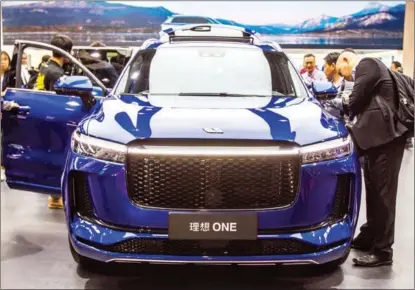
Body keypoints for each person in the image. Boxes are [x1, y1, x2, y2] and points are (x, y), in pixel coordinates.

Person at [336, 50, 409, 267]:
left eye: (343, 73)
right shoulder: (373, 67)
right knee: (374, 190)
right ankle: (369, 235)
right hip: (376, 141)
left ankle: (383, 250)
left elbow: (355, 101)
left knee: (384, 194)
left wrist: (344, 101)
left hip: (387, 140)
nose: (346, 78)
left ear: (346, 60)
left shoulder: (367, 64)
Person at [35, 35, 73, 209]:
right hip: (51, 117)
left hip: (40, 114)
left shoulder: (44, 66)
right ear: (66, 53)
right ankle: (55, 196)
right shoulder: (57, 72)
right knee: (58, 152)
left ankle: (54, 195)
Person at [1, 51, 18, 181]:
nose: (3, 62)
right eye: (1, 59)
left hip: (7, 112)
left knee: (4, 140)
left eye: (5, 59)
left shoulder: (12, 76)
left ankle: (3, 167)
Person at [321, 52, 345, 119]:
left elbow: (345, 104)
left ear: (333, 66)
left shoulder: (346, 84)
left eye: (325, 67)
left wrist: (327, 99)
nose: (324, 71)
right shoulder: (328, 84)